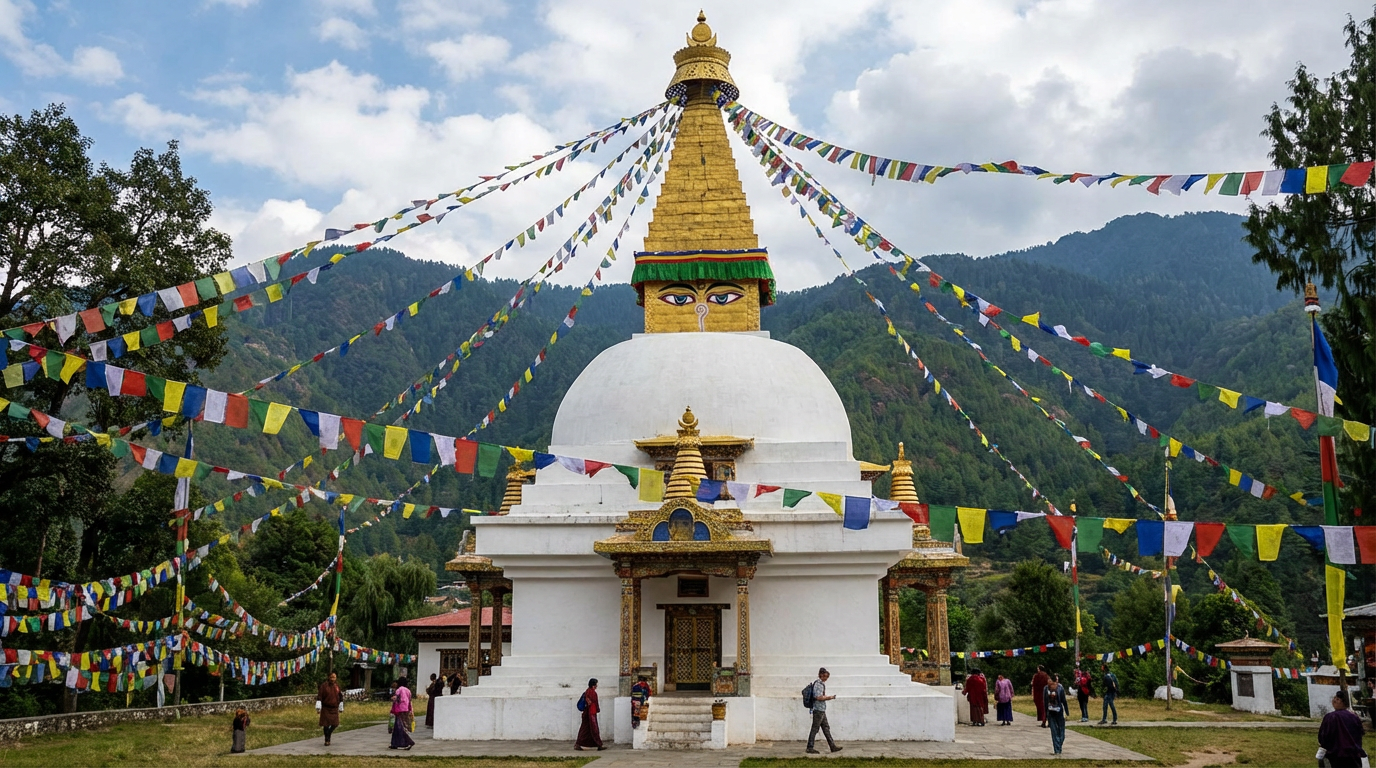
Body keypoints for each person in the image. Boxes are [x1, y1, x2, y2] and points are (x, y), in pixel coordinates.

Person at [1318, 691, 1367, 768]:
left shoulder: (1331, 717)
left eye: (1337, 699)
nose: (1334, 700)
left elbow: (1324, 736)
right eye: (1334, 698)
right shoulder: (1354, 717)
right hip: (1354, 755)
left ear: (1344, 702)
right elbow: (1360, 733)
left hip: (1337, 755)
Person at [806, 667, 842, 754]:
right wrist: (830, 697)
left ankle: (832, 746)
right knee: (815, 729)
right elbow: (818, 697)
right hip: (818, 709)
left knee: (826, 728)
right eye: (825, 676)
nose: (826, 678)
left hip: (821, 709)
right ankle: (810, 747)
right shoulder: (818, 684)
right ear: (821, 675)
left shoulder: (820, 683)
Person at [575, 678, 605, 750]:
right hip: (591, 713)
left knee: (584, 729)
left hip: (588, 713)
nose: (597, 686)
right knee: (594, 729)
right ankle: (599, 745)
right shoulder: (592, 693)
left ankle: (578, 744)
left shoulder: (587, 691)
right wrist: (597, 709)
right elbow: (593, 703)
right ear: (593, 685)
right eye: (596, 684)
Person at [1044, 673, 1069, 756]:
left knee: (1058, 732)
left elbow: (1063, 700)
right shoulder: (1048, 688)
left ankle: (1058, 747)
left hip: (1056, 712)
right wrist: (1045, 714)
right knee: (1056, 731)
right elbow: (1045, 701)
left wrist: (1067, 711)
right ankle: (1057, 749)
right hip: (1053, 712)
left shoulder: (1057, 688)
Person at [316, 672, 343, 745]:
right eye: (331, 677)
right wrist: (318, 708)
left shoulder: (337, 686)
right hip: (326, 708)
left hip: (334, 708)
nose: (333, 679)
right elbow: (319, 696)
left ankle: (329, 733)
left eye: (334, 677)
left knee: (335, 724)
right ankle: (327, 740)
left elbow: (340, 696)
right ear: (328, 677)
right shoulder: (324, 686)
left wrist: (341, 706)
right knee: (326, 725)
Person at [389, 680, 415, 750]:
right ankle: (394, 743)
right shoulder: (408, 691)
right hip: (406, 710)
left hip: (399, 710)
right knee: (398, 727)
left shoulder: (399, 690)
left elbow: (396, 698)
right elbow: (410, 701)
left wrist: (392, 698)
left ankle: (408, 742)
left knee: (400, 727)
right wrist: (411, 710)